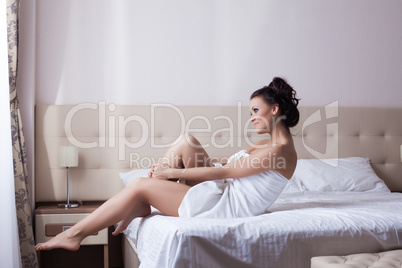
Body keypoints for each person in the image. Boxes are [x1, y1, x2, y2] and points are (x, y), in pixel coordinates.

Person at [35, 77, 300, 251]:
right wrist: (173, 167)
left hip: (225, 207)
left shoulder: (279, 150)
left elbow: (225, 171)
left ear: (274, 109)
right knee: (186, 140)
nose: (252, 118)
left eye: (256, 110)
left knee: (140, 184)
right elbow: (225, 162)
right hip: (222, 191)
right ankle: (143, 200)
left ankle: (77, 234)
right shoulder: (266, 145)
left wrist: (172, 172)